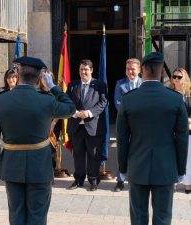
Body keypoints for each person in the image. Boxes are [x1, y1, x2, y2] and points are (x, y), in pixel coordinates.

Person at [0, 56, 76, 225]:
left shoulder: (0, 100)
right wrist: (54, 87)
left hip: (11, 165)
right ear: (40, 78)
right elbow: (71, 108)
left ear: (18, 73)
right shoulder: (47, 100)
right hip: (40, 165)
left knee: (16, 214)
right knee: (37, 216)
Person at [116, 52, 188, 225]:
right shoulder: (175, 100)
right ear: (162, 71)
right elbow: (182, 138)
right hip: (165, 167)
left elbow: (122, 137)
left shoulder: (129, 100)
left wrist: (123, 167)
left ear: (142, 70)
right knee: (163, 218)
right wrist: (180, 169)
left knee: (138, 217)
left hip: (137, 166)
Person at [66, 59, 108, 191]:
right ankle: (78, 179)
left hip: (93, 126)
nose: (83, 72)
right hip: (76, 126)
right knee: (77, 154)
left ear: (91, 70)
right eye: (81, 69)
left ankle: (93, 180)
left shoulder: (100, 85)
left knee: (93, 154)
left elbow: (103, 103)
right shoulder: (72, 85)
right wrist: (76, 113)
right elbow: (66, 103)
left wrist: (89, 113)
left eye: (86, 69)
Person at [113, 58, 143, 192]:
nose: (130, 71)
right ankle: (120, 180)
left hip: (141, 127)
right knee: (122, 152)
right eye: (128, 69)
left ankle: (137, 179)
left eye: (132, 69)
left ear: (139, 70)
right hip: (124, 125)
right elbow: (118, 103)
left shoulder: (144, 84)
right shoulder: (120, 84)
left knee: (139, 151)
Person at [169, 67, 191, 194]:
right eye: (174, 76)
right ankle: (174, 183)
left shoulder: (188, 95)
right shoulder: (169, 93)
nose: (176, 79)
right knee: (174, 157)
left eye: (179, 77)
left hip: (188, 132)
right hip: (173, 132)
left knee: (188, 158)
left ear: (185, 78)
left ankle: (188, 184)